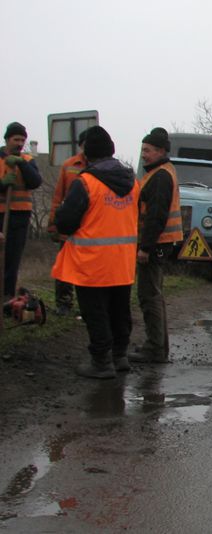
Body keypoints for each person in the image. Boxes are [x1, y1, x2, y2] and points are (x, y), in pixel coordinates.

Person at [51, 126, 140, 379]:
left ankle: (101, 362)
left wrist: (59, 216)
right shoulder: (132, 183)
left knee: (96, 312)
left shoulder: (86, 182)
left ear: (87, 155)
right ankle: (119, 355)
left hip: (92, 263)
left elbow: (66, 222)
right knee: (119, 309)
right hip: (122, 262)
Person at [130, 128, 181, 364]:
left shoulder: (160, 176)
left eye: (147, 150)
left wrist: (145, 247)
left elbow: (156, 216)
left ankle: (155, 348)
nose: (143, 155)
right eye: (142, 150)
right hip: (160, 243)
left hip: (156, 244)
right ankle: (159, 346)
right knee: (154, 295)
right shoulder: (159, 172)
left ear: (161, 151)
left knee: (149, 295)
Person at [47, 129, 88, 315]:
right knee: (64, 267)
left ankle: (87, 304)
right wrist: (53, 223)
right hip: (68, 225)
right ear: (80, 145)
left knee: (87, 268)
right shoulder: (69, 165)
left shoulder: (99, 166)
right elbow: (58, 197)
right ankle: (64, 303)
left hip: (89, 227)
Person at [0, 122, 42, 298]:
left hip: (20, 216)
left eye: (22, 140)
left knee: (13, 258)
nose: (19, 143)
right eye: (16, 139)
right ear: (7, 139)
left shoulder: (27, 160)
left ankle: (8, 297)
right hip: (1, 215)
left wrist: (21, 165)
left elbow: (35, 182)